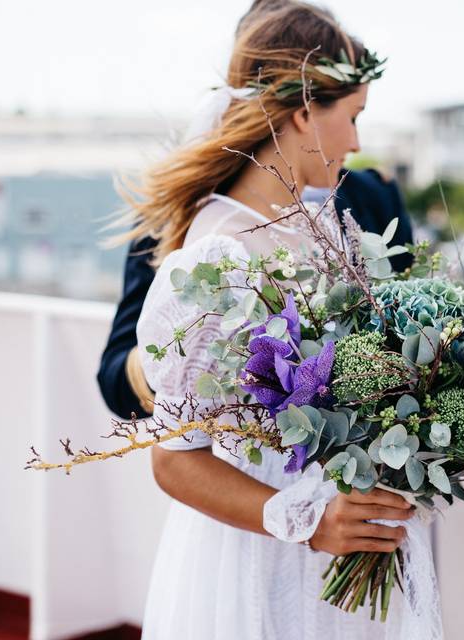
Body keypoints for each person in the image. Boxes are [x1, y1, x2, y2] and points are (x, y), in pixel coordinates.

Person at [112, 3, 436, 638]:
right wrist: (310, 521)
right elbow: (174, 461)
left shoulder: (328, 230)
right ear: (304, 112)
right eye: (354, 116)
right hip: (260, 558)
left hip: (341, 552)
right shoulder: (217, 259)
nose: (358, 143)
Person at [96, 0, 413, 421]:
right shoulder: (184, 218)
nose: (355, 141)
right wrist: (195, 340)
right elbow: (119, 381)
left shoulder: (375, 197)